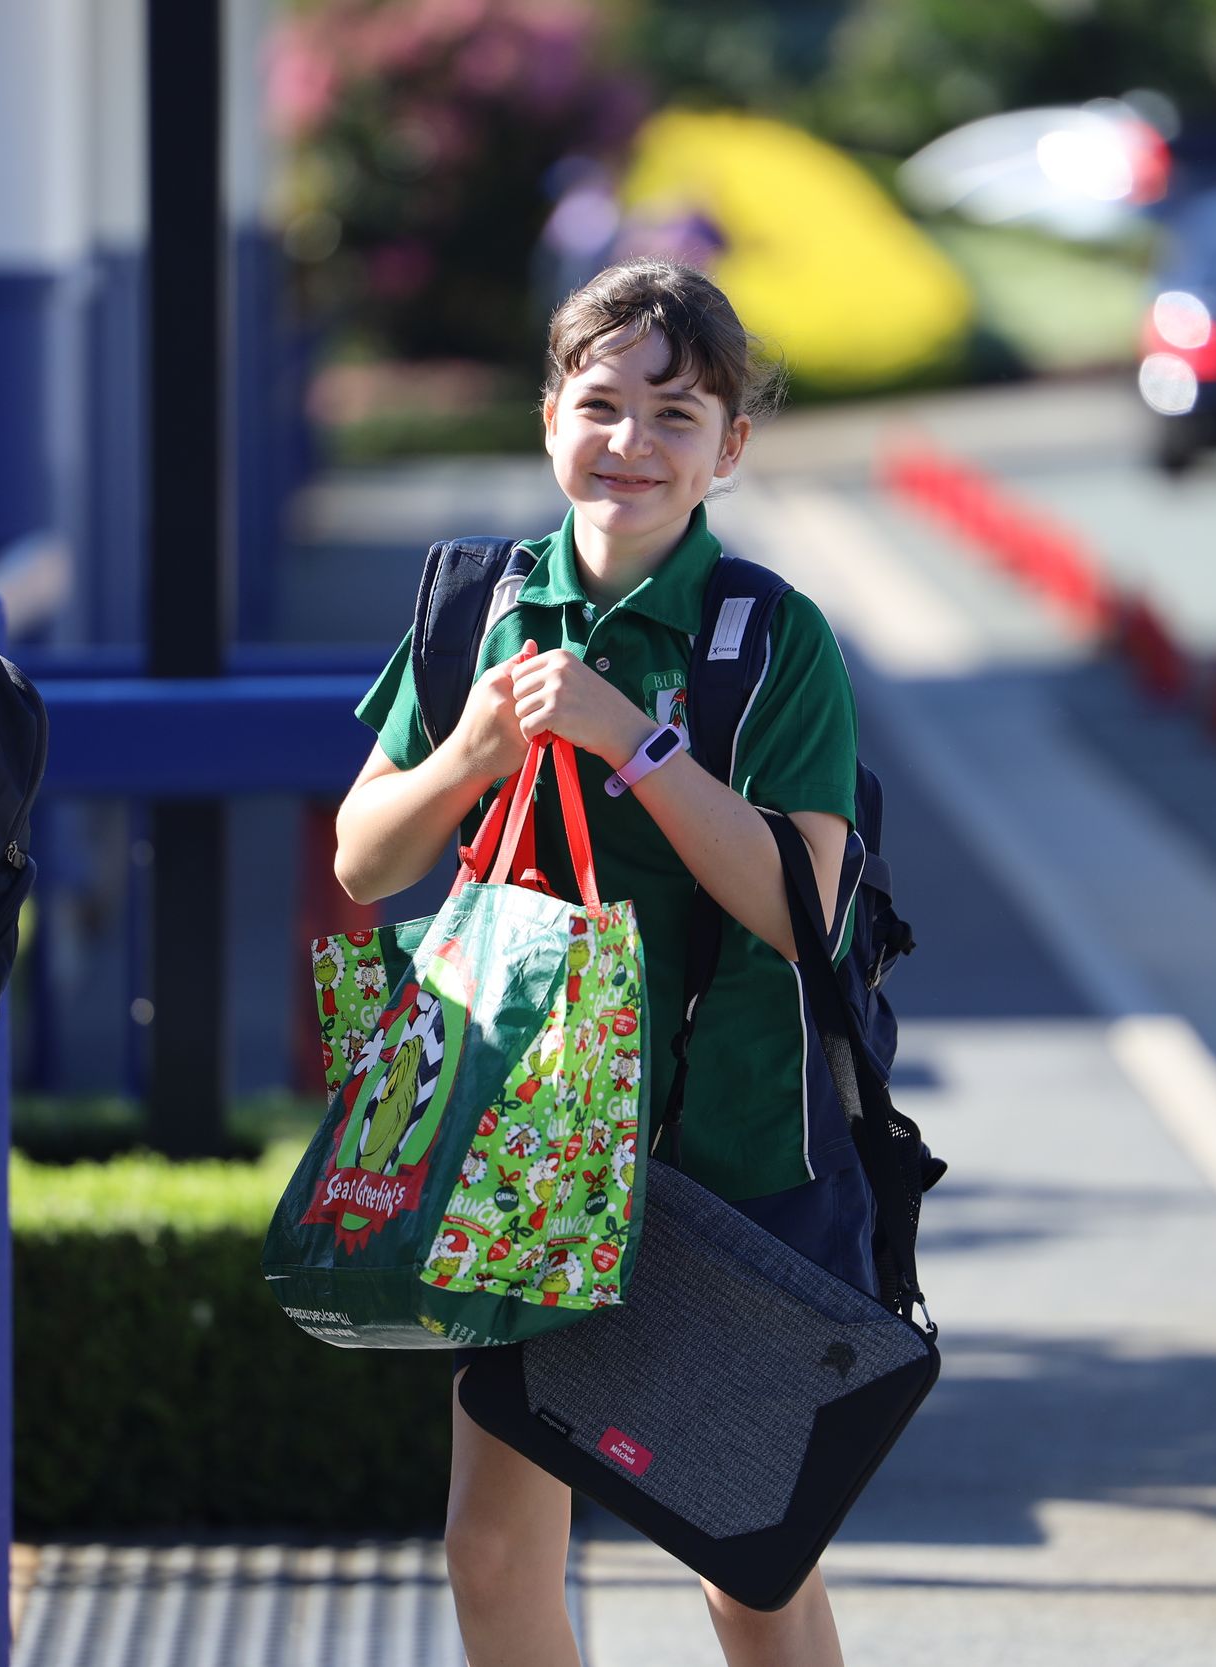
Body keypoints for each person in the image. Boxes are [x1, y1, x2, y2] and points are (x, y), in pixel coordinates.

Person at [335, 258, 869, 1667]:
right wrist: (473, 750)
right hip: (527, 1134)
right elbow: (364, 860)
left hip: (729, 1150)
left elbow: (801, 911)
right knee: (493, 1550)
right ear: (548, 418)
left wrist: (630, 740)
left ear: (730, 448)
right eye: (602, 403)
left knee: (742, 1563)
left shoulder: (775, 640)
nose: (632, 442)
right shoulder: (477, 608)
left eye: (676, 415)